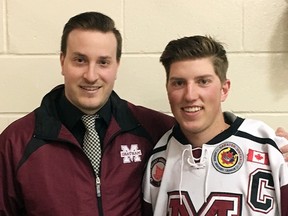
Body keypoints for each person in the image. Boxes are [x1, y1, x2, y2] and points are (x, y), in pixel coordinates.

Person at [0, 11, 175, 216]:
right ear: (62, 61)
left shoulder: (155, 130)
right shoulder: (16, 142)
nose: (91, 76)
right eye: (80, 60)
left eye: (103, 62)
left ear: (116, 66)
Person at [142, 35, 288, 215]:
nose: (190, 95)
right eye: (179, 83)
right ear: (168, 89)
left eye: (203, 81)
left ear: (224, 90)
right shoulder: (158, 158)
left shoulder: (269, 147)